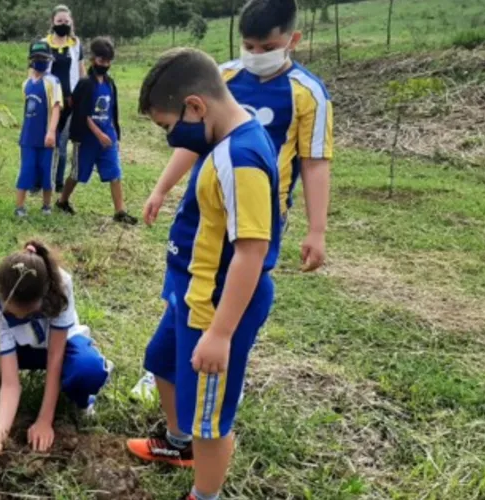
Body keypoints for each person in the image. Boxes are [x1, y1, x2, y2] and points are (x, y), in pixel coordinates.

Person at [131, 0, 334, 401]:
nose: (256, 55)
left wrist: (317, 229)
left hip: (255, 216)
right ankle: (174, 366)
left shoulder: (307, 93)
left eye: (267, 46)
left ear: (293, 40)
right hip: (204, 209)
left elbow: (314, 163)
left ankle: (220, 369)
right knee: (186, 285)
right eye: (249, 46)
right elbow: (191, 141)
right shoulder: (220, 78)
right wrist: (161, 188)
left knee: (231, 290)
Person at [125, 48, 281, 500]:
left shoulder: (242, 159)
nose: (170, 139)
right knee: (161, 361)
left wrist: (220, 333)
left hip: (217, 305)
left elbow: (252, 252)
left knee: (210, 415)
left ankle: (204, 494)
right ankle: (178, 443)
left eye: (167, 127)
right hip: (191, 289)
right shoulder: (220, 136)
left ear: (195, 107)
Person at [0, 241, 112, 468]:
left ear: (43, 298)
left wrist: (45, 420)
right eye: (14, 313)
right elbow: (11, 383)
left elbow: (55, 358)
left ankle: (81, 401)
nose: (19, 317)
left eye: (27, 313)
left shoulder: (60, 284)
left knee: (88, 370)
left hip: (59, 347)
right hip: (21, 348)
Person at [55, 37, 138, 225]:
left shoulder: (110, 84)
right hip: (86, 139)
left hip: (107, 138)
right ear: (93, 59)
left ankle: (120, 211)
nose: (105, 65)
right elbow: (82, 113)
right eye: (102, 61)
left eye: (108, 61)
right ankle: (62, 201)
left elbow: (112, 112)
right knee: (77, 173)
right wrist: (98, 134)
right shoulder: (85, 84)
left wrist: (115, 135)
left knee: (115, 173)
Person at [35, 4, 86, 193]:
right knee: (44, 140)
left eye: (66, 21)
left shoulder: (76, 44)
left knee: (62, 144)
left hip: (69, 101)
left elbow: (81, 71)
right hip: (47, 100)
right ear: (52, 22)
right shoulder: (43, 44)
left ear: (71, 22)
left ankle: (57, 182)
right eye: (59, 21)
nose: (63, 24)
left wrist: (82, 95)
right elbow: (35, 71)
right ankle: (39, 180)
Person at [15, 39, 62, 218]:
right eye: (36, 57)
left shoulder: (52, 82)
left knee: (46, 172)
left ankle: (46, 205)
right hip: (28, 137)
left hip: (46, 138)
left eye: (44, 57)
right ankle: (19, 206)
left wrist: (51, 132)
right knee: (26, 170)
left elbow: (56, 107)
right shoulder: (26, 83)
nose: (40, 61)